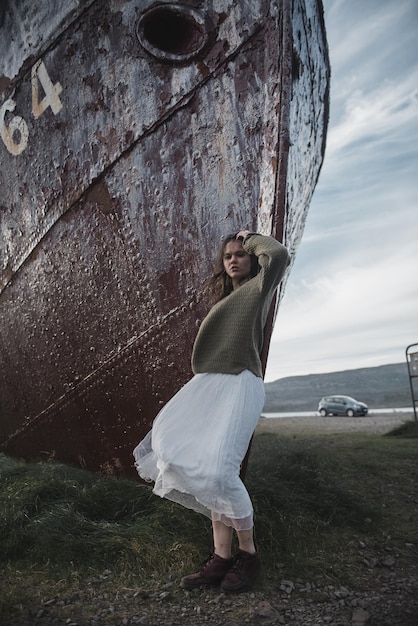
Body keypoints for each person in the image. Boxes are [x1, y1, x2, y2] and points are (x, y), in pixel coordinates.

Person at [133, 230, 290, 593]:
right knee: (185, 458)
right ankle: (220, 558)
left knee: (221, 470)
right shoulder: (226, 300)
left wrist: (250, 238)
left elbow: (278, 255)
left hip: (240, 384)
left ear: (252, 259)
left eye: (240, 254)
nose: (234, 259)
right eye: (228, 256)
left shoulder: (259, 288)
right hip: (210, 386)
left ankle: (248, 556)